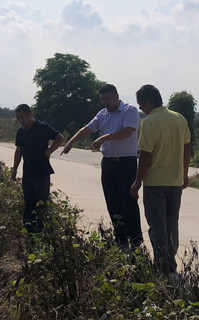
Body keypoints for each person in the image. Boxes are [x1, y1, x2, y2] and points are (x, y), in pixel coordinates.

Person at [61, 84, 143, 246]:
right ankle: (120, 238)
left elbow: (128, 131)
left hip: (126, 163)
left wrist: (104, 138)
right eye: (102, 100)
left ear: (116, 96)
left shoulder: (129, 110)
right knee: (112, 201)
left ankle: (135, 240)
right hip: (108, 164)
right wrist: (71, 141)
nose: (105, 102)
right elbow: (88, 128)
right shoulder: (102, 114)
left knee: (128, 201)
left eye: (107, 99)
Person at [130, 84, 191, 276]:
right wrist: (184, 173)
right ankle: (170, 266)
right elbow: (187, 147)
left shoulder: (149, 122)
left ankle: (163, 268)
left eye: (140, 103)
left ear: (148, 101)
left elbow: (145, 156)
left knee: (158, 227)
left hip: (155, 183)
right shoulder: (179, 118)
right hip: (175, 182)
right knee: (172, 225)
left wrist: (137, 182)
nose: (140, 107)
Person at [11, 104, 65, 233]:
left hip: (41, 172)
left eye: (22, 117)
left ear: (30, 114)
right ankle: (29, 230)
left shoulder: (42, 127)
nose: (21, 120)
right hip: (27, 173)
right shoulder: (21, 132)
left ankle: (40, 231)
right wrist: (14, 170)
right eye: (18, 118)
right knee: (28, 203)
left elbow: (60, 138)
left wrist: (49, 151)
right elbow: (18, 151)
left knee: (41, 203)